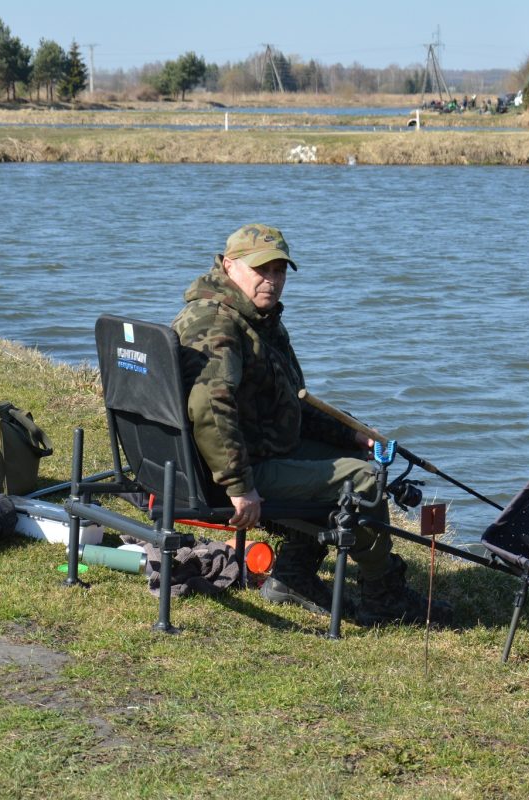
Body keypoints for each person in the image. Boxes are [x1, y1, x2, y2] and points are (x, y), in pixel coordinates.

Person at [173, 223, 450, 626]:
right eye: (261, 270)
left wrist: (355, 434)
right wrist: (240, 486)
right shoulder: (217, 323)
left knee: (355, 454)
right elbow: (210, 409)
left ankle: (294, 575)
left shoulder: (257, 318)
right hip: (236, 469)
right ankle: (384, 598)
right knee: (363, 481)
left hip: (257, 449)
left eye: (280, 270)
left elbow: (294, 400)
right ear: (229, 266)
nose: (272, 280)